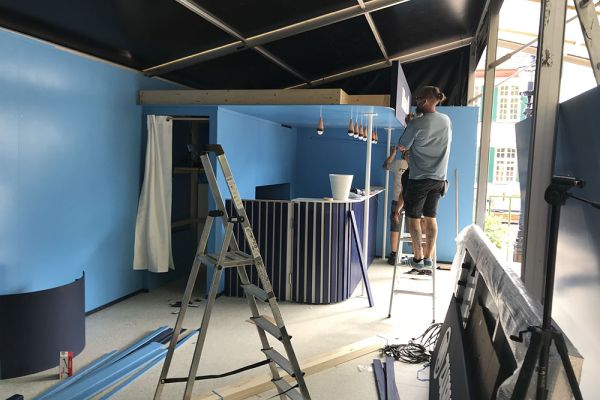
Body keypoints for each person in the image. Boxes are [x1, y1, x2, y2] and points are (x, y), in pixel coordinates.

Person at [397, 86, 452, 270]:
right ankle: (428, 258)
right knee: (431, 218)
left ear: (426, 101)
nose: (416, 102)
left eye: (418, 99)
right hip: (439, 179)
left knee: (413, 217)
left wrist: (409, 124)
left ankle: (418, 259)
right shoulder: (446, 120)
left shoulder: (416, 123)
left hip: (419, 178)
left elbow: (402, 146)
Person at [382, 146, 408, 265]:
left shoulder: (401, 163)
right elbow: (385, 166)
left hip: (405, 200)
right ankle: (395, 255)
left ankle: (396, 255)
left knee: (401, 227)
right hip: (402, 200)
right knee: (397, 227)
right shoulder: (401, 163)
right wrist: (393, 153)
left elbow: (385, 165)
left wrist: (393, 153)